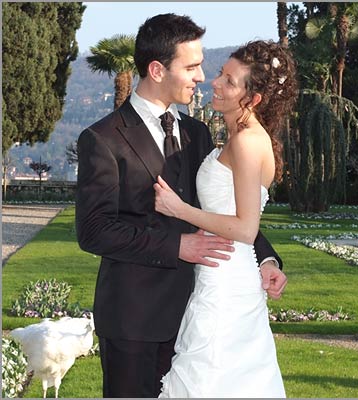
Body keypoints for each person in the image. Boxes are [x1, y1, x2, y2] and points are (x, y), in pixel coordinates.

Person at [75, 14, 287, 398]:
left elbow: (228, 210)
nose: (201, 76)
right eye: (191, 67)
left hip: (199, 316)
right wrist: (177, 246)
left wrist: (266, 259)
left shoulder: (197, 132)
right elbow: (94, 230)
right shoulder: (102, 139)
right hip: (134, 321)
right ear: (157, 70)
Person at [153, 40, 298, 398]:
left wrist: (178, 209)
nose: (215, 82)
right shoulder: (236, 138)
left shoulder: (248, 142)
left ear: (254, 99)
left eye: (229, 81)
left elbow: (246, 228)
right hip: (218, 273)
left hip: (225, 283)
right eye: (221, 73)